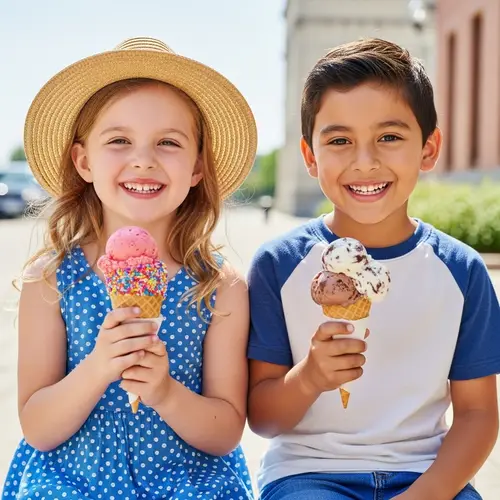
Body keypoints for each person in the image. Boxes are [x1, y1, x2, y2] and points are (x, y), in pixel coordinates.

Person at [2, 37, 257, 500]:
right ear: (84, 161)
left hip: (188, 480)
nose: (143, 158)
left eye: (168, 142)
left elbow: (225, 432)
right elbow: (37, 427)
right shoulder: (52, 280)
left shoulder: (219, 288)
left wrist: (165, 393)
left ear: (198, 166)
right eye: (119, 140)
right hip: (73, 480)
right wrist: (100, 366)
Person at [246, 38, 500, 500]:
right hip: (309, 474)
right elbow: (262, 418)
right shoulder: (279, 265)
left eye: (389, 137)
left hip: (427, 474)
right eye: (339, 141)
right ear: (310, 157)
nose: (365, 162)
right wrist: (310, 377)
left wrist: (425, 494)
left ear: (428, 147)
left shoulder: (461, 271)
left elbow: (479, 415)